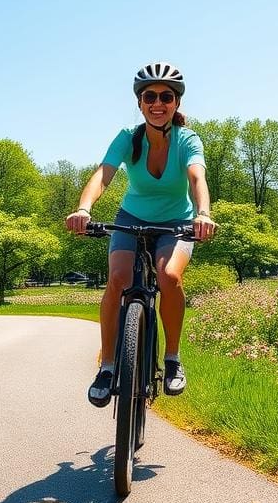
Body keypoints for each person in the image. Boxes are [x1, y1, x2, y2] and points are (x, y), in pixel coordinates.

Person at [65, 62, 217, 407]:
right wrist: (84, 209)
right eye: (150, 96)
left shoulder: (187, 139)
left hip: (177, 222)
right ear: (140, 102)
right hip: (130, 217)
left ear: (176, 103)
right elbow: (104, 174)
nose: (158, 103)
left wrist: (204, 214)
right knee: (118, 279)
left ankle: (173, 359)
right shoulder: (127, 138)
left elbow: (197, 179)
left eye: (166, 96)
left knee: (169, 276)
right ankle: (107, 365)